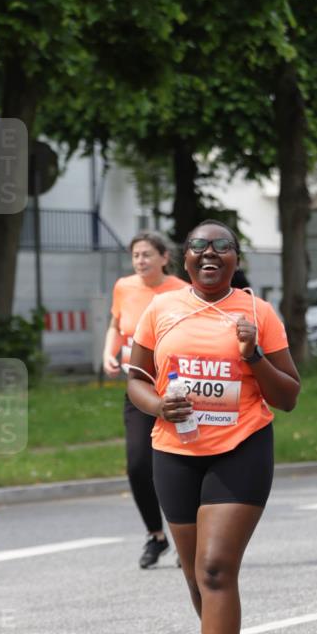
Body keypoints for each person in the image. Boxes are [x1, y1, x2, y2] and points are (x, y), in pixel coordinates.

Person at [126, 220, 300, 634]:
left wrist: (254, 356)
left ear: (235, 259)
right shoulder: (161, 309)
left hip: (241, 448)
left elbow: (288, 396)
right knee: (193, 572)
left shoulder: (257, 312)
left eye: (221, 247)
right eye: (198, 246)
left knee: (217, 567)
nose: (209, 253)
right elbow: (136, 380)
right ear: (184, 261)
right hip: (176, 450)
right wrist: (160, 404)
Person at [103, 231, 186, 569]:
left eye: (147, 254)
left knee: (181, 466)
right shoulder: (124, 287)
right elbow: (115, 325)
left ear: (165, 258)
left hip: (176, 390)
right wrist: (106, 354)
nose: (140, 261)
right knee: (138, 465)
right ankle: (156, 536)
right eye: (136, 255)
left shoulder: (182, 291)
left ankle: (187, 536)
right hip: (138, 387)